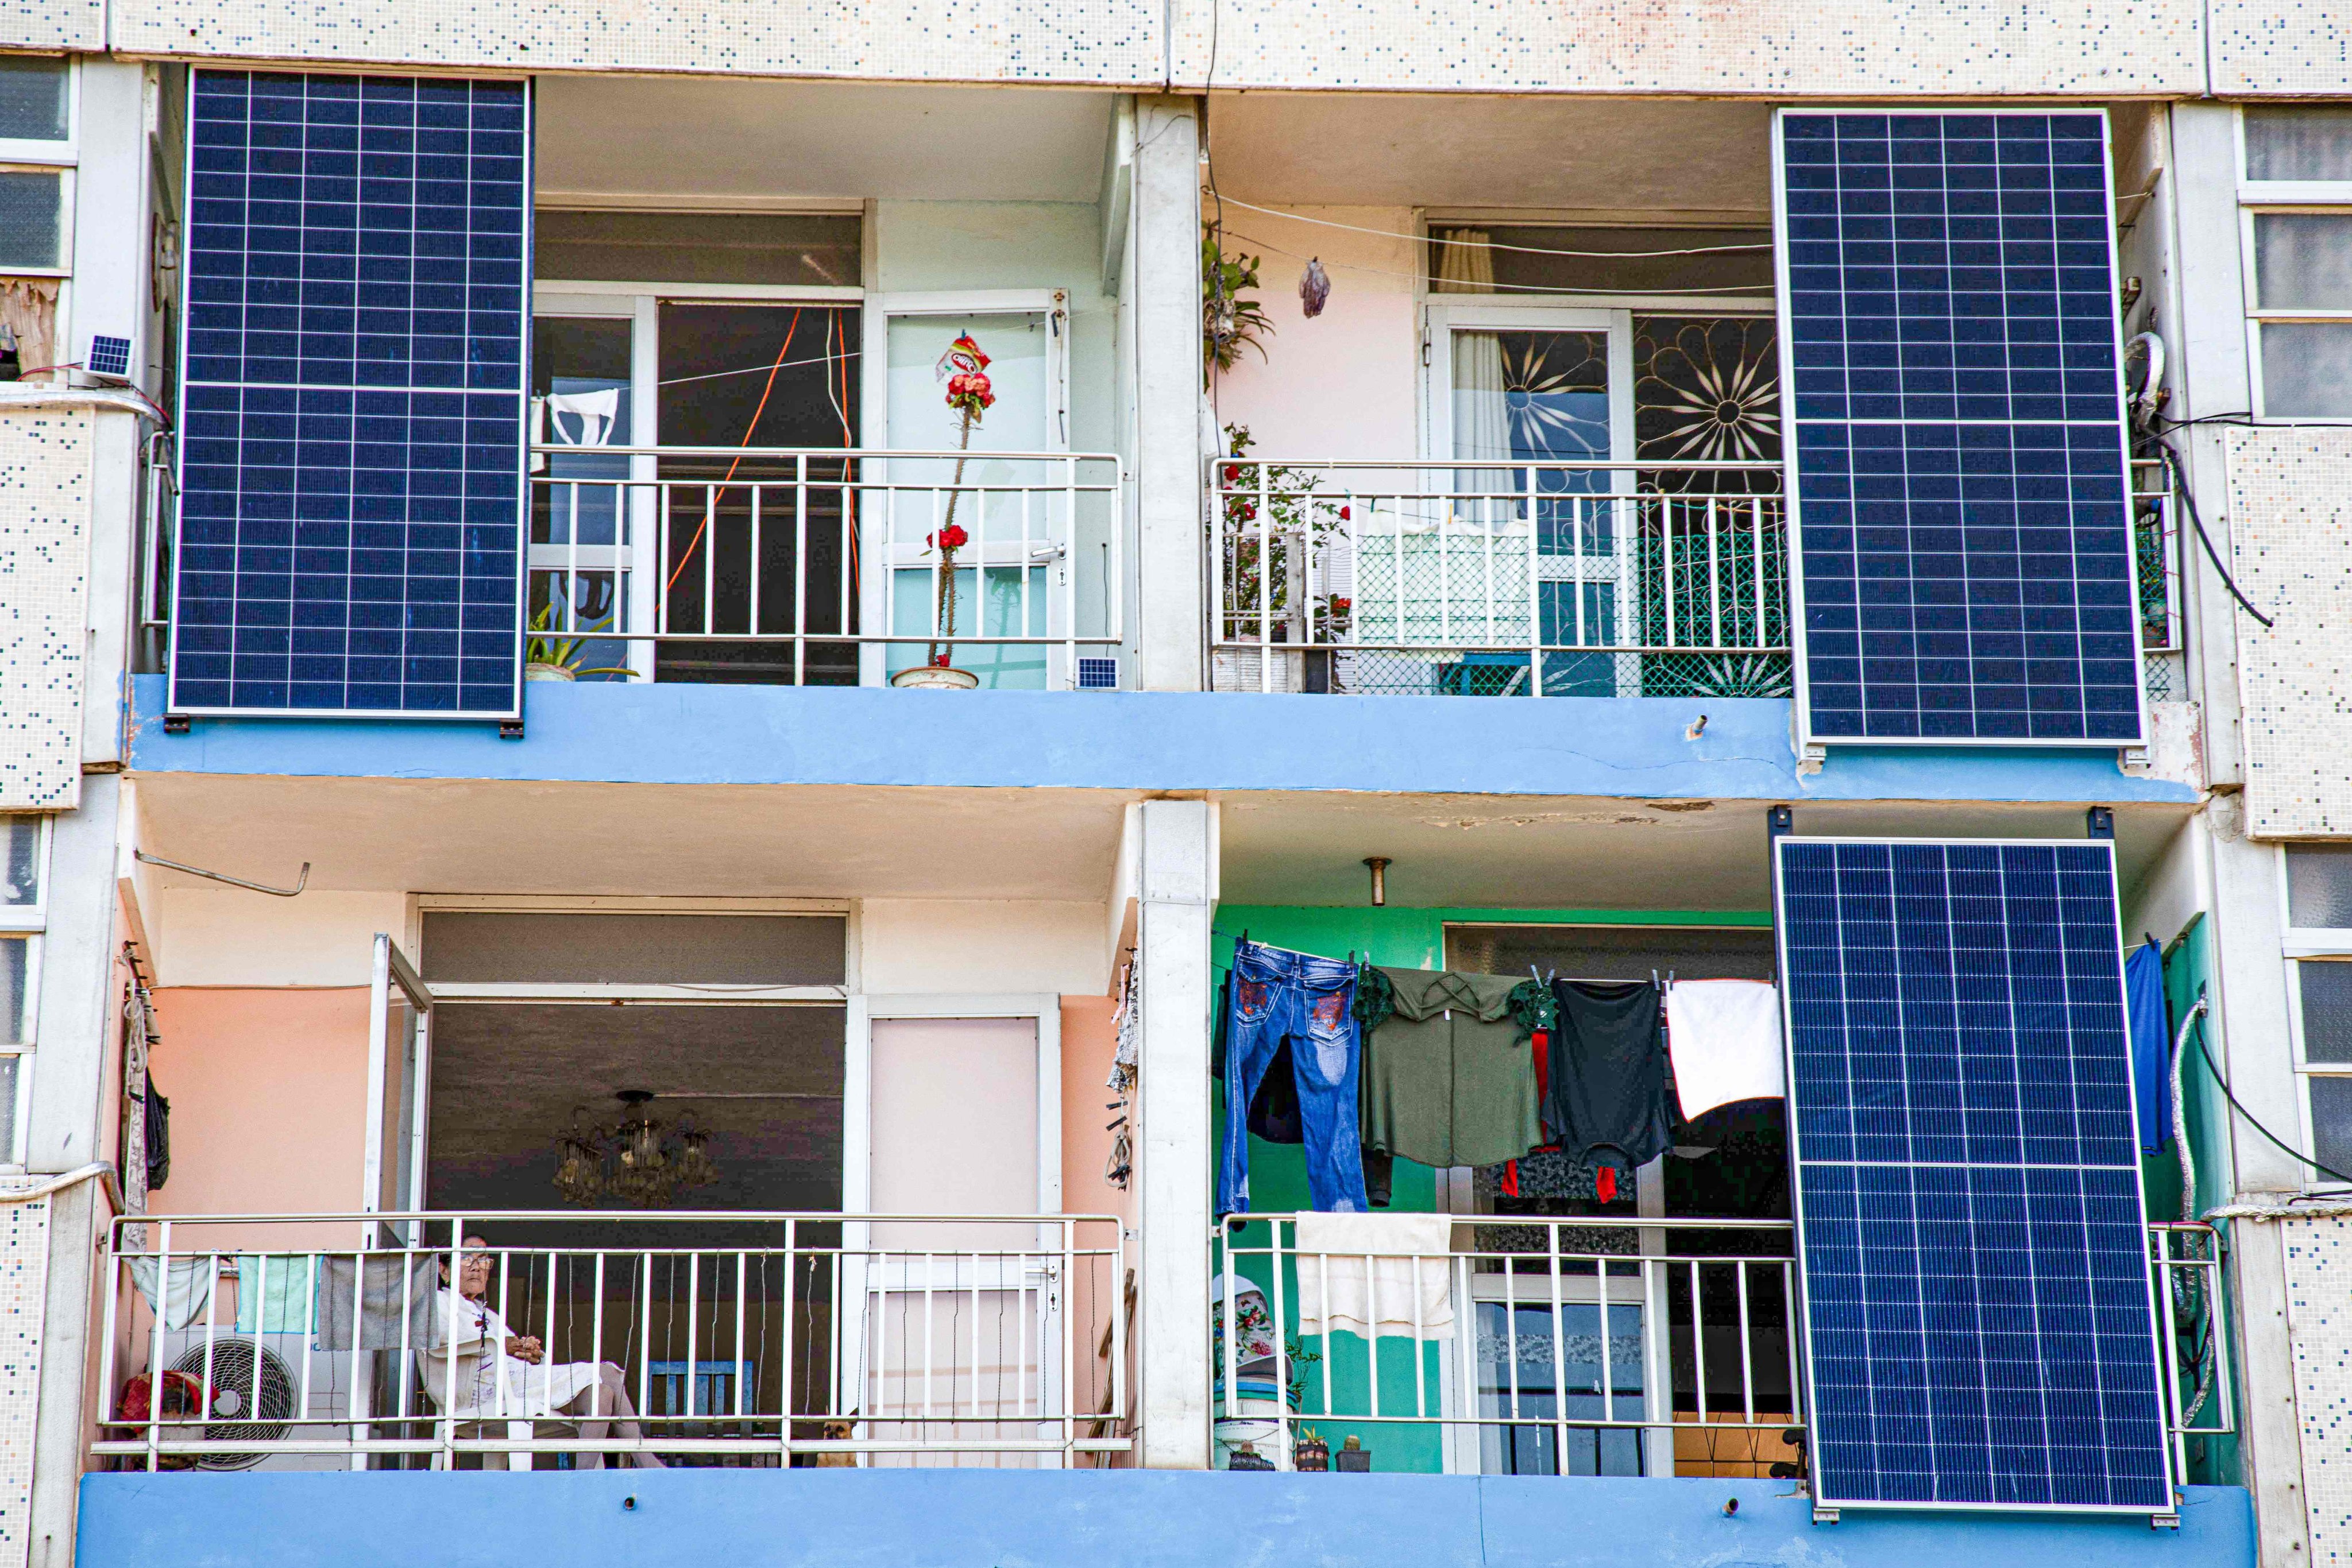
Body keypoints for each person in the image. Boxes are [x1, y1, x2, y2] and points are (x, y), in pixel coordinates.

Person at [423, 1236, 664, 1469]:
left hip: (516, 1384)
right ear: (444, 1270)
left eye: (484, 1260)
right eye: (466, 1258)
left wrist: (530, 1353)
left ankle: (584, 1479)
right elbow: (447, 1338)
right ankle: (645, 1460)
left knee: (600, 1393)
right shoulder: (438, 1302)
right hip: (484, 1391)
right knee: (606, 1372)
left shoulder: (487, 1313)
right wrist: (508, 1345)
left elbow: (509, 1347)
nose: (477, 1267)